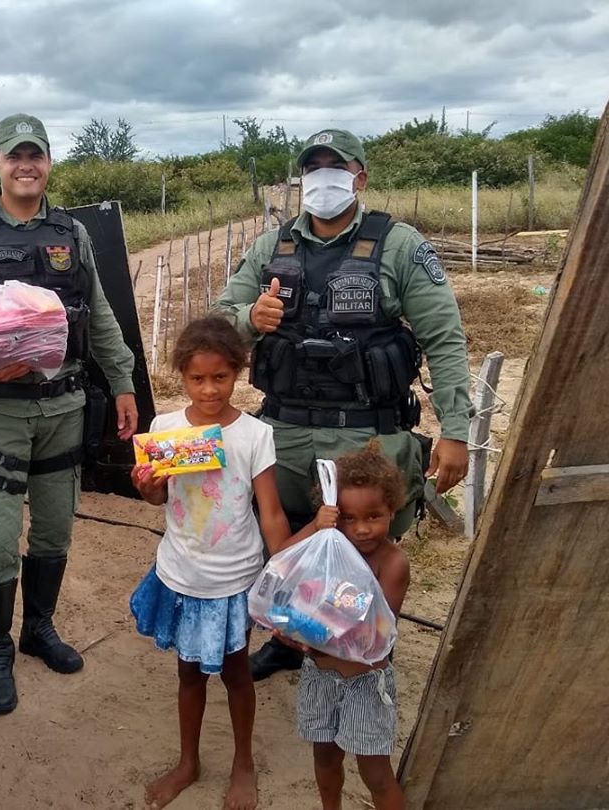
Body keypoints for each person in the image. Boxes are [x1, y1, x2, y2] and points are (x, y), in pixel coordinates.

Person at [211, 128, 471, 680]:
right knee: (285, 546)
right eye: (314, 167)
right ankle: (288, 643)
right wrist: (247, 320)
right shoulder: (271, 246)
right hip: (283, 430)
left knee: (363, 552)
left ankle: (361, 653)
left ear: (360, 176)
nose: (323, 176)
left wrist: (456, 430)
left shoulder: (399, 244)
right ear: (301, 178)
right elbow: (218, 320)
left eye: (336, 166)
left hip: (366, 434)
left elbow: (445, 336)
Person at [0, 113, 139, 715]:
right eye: (14, 155)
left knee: (54, 528)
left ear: (48, 162)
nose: (25, 165)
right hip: (0, 414)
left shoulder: (72, 233)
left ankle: (37, 630)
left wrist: (122, 384)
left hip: (66, 407)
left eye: (35, 154)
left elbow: (97, 315)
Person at [129, 315, 292, 810]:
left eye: (220, 377)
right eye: (197, 379)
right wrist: (148, 489)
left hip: (233, 580)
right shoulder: (165, 430)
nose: (208, 390)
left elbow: (271, 512)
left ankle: (243, 763)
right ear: (181, 376)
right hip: (180, 573)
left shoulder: (254, 435)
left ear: (238, 373)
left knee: (237, 673)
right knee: (188, 674)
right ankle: (188, 762)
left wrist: (285, 577)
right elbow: (160, 500)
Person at [270, 441, 410, 810]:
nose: (362, 529)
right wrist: (317, 528)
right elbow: (282, 561)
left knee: (376, 773)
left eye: (373, 516)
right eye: (348, 518)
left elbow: (373, 634)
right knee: (325, 759)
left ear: (392, 511)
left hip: (365, 682)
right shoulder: (327, 548)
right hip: (320, 676)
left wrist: (304, 634)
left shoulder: (392, 564)